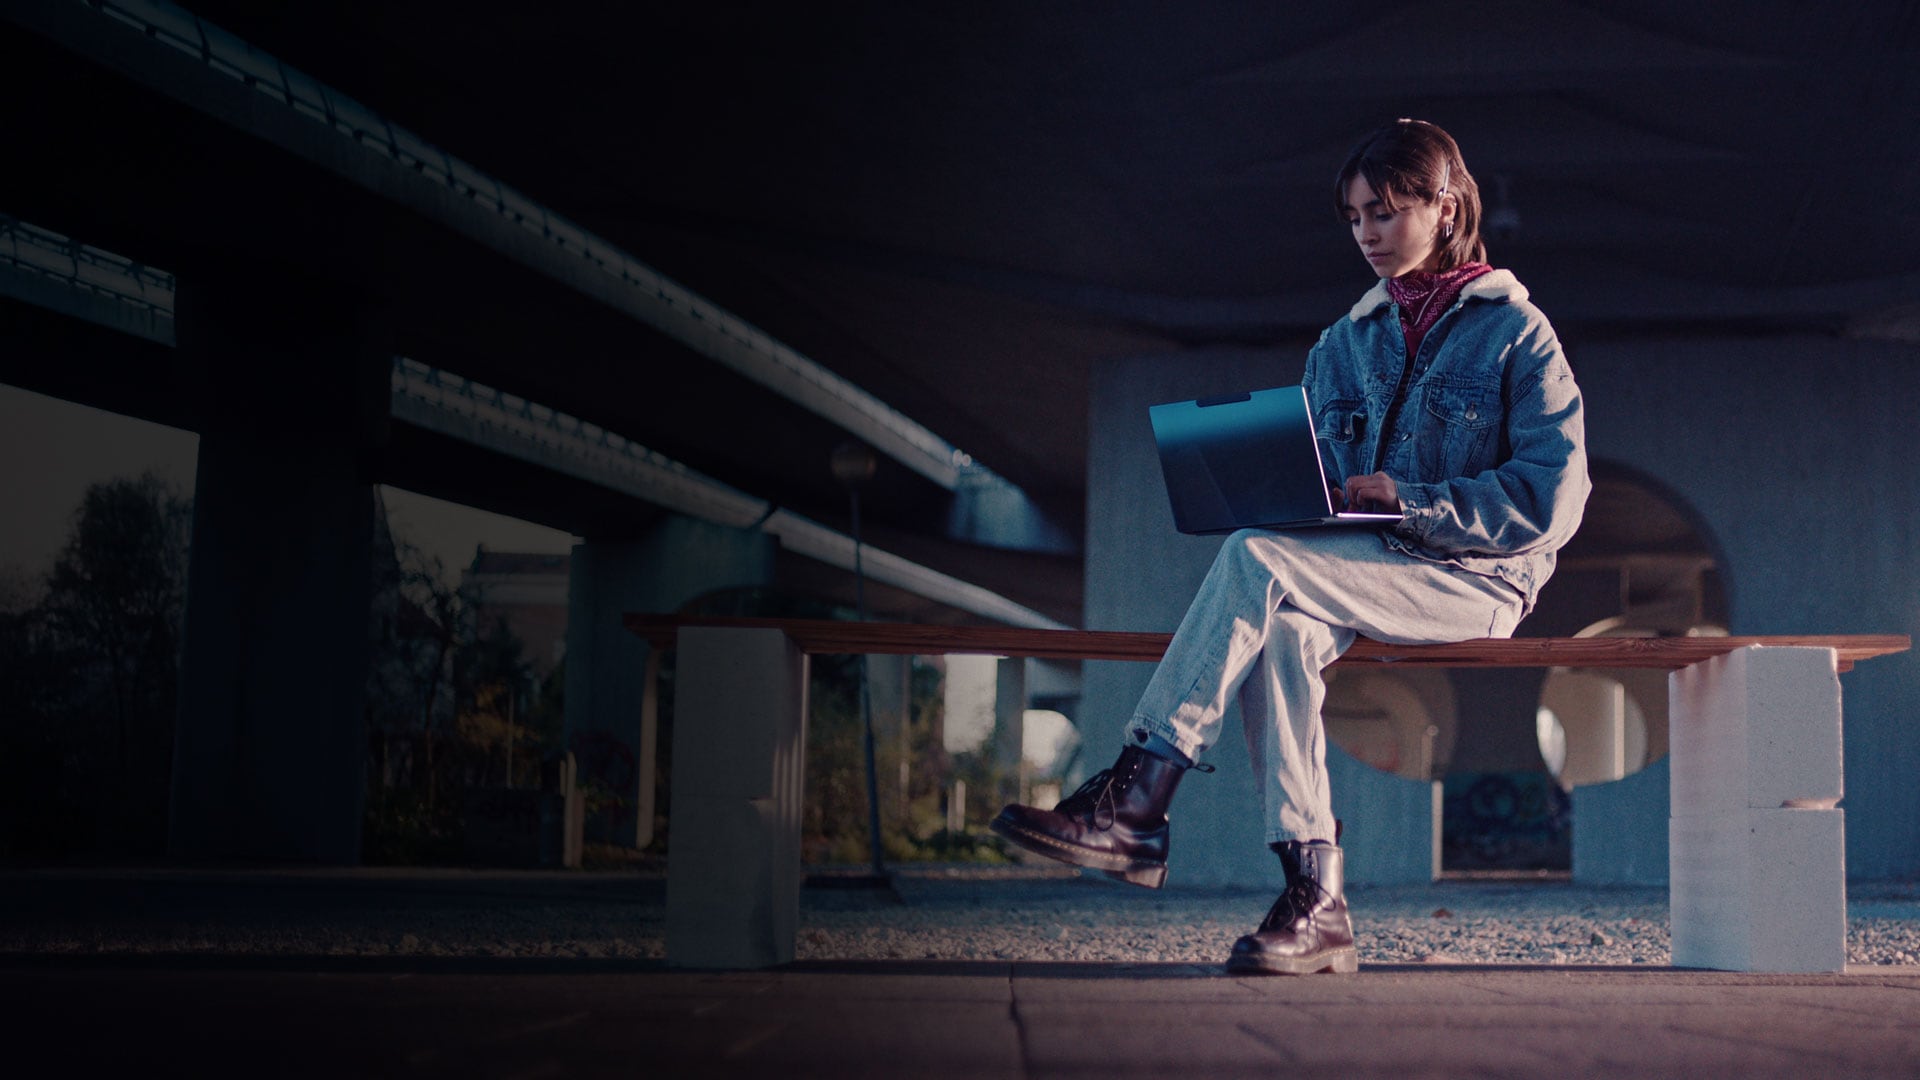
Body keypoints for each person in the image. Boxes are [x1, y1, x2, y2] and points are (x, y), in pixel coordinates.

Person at [990, 119, 1590, 975]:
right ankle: (1315, 898)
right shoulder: (1343, 344)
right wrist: (1282, 489)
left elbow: (1550, 500)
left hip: (1472, 578)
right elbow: (1316, 475)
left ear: (1444, 205)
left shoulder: (1518, 337)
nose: (1367, 234)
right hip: (1359, 571)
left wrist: (1414, 501)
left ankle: (1138, 795)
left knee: (1254, 557)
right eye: (1353, 218)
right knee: (1280, 623)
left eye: (1385, 211)